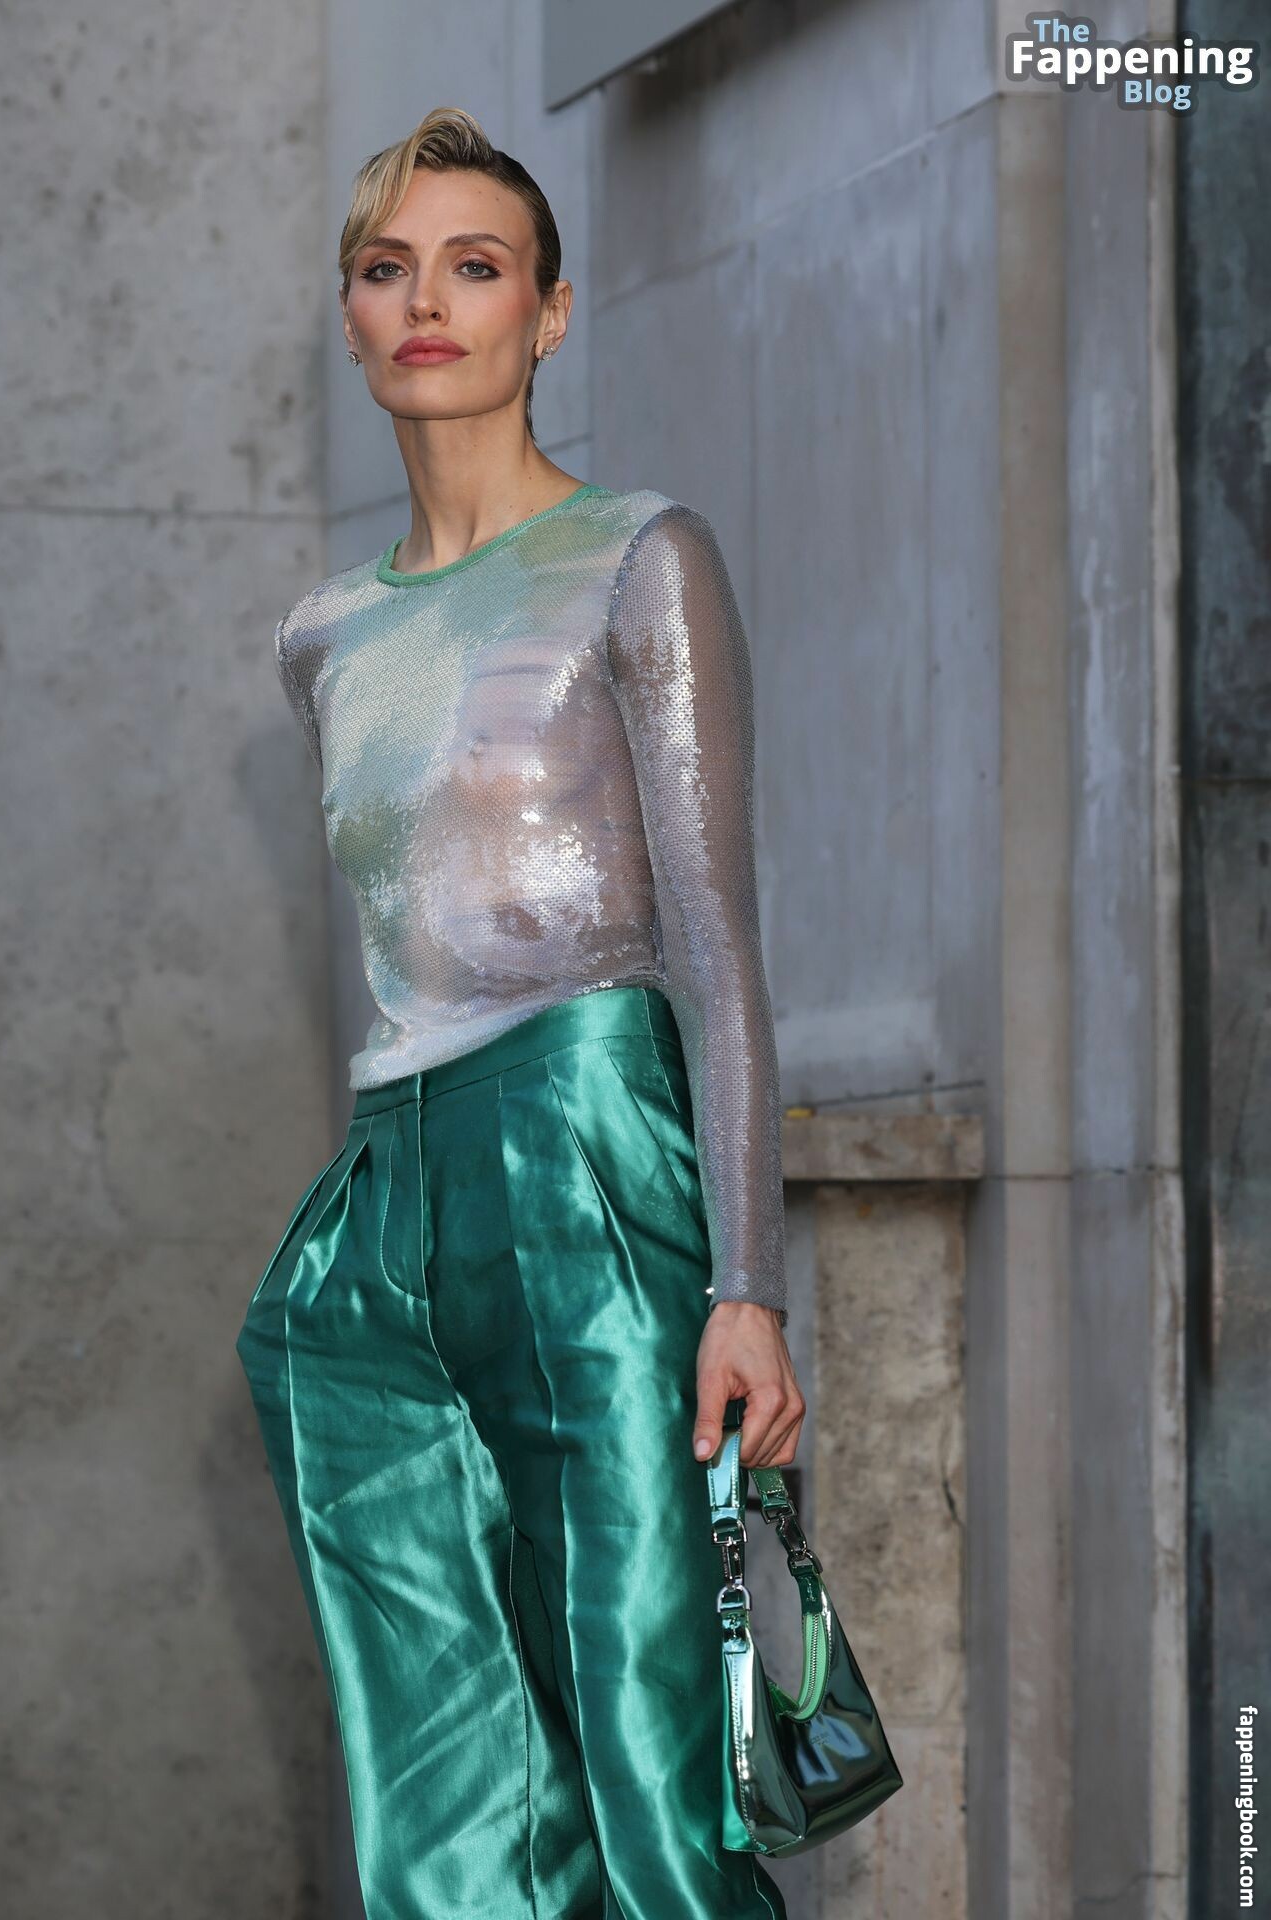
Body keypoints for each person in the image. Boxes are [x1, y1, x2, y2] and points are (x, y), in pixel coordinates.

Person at [236, 104, 804, 1920]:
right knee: (443, 1821)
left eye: (473, 268)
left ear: (548, 313)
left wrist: (746, 1283)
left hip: (587, 1160)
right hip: (381, 1206)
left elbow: (715, 951)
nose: (427, 304)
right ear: (349, 316)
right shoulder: (323, 635)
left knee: (654, 1777)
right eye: (386, 269)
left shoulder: (639, 556)